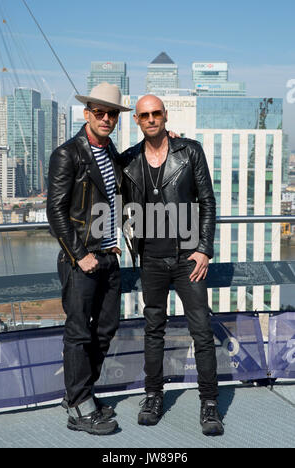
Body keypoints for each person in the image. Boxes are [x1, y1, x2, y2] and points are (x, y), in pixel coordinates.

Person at [121, 94, 224, 436]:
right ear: (137, 120)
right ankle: (153, 396)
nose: (151, 119)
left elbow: (207, 201)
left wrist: (205, 249)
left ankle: (209, 402)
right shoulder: (129, 160)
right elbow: (109, 187)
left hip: (187, 258)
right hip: (150, 258)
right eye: (144, 115)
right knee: (153, 330)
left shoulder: (189, 151)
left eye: (156, 113)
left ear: (165, 116)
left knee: (201, 331)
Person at [46, 82, 132, 436]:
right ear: (87, 114)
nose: (106, 118)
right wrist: (79, 256)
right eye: (100, 112)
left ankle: (79, 394)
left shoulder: (112, 151)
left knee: (107, 328)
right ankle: (80, 407)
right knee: (79, 332)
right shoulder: (68, 154)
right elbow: (56, 212)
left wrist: (167, 138)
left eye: (112, 113)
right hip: (81, 259)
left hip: (110, 256)